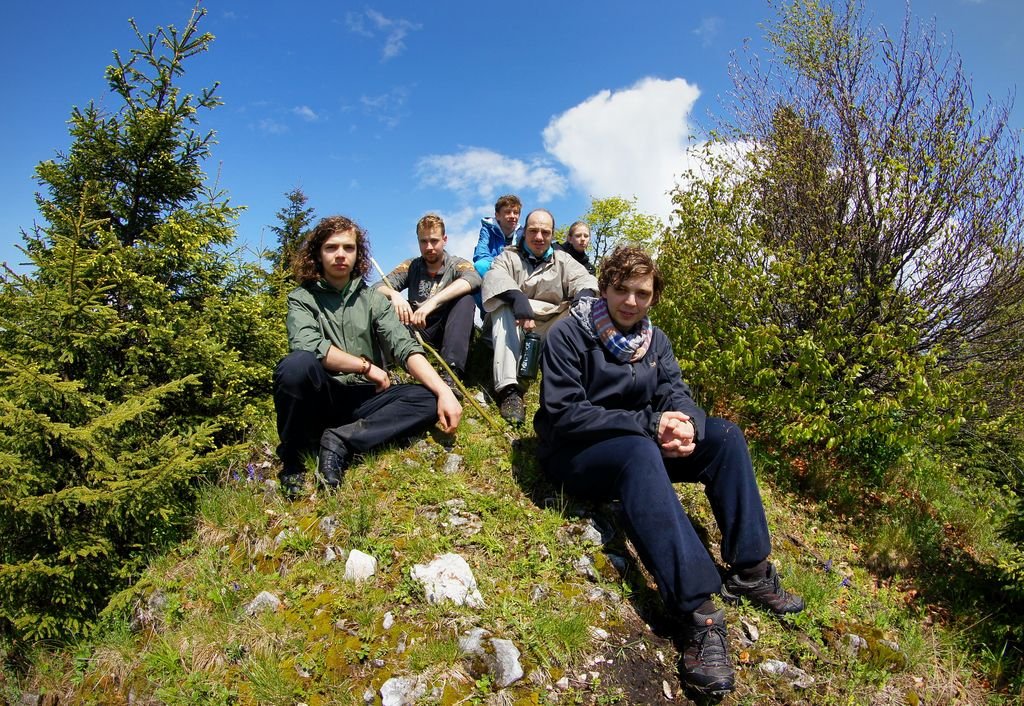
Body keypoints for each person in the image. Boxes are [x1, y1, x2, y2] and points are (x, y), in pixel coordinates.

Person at [534, 246, 804, 696]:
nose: (631, 301)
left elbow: (676, 391)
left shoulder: (654, 341)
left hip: (639, 442)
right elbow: (565, 413)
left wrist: (687, 424)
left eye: (642, 293)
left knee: (725, 437)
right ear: (604, 288)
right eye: (621, 290)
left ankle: (751, 570)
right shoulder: (568, 334)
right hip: (575, 454)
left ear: (653, 297)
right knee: (639, 451)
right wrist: (649, 424)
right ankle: (698, 613)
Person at [272, 215, 462, 498]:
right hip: (323, 394)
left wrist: (444, 391)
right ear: (318, 254)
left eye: (348, 248)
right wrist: (365, 367)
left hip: (364, 398)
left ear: (357, 254)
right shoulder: (302, 298)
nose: (340, 255)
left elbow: (404, 347)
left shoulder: (372, 299)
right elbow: (308, 345)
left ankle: (341, 441)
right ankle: (292, 459)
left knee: (427, 397)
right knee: (295, 366)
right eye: (331, 247)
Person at [481, 208, 598, 424]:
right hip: (512, 324)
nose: (539, 237)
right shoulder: (508, 256)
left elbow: (586, 280)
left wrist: (583, 296)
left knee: (579, 311)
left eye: (545, 232)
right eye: (533, 231)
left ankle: (579, 386)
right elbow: (493, 276)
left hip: (547, 326)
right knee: (502, 306)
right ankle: (510, 391)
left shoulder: (564, 260)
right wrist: (516, 297)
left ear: (553, 234)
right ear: (524, 231)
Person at [375, 214, 480, 398]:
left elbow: (474, 279)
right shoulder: (411, 265)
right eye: (423, 241)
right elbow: (376, 287)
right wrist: (394, 295)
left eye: (434, 241)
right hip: (416, 327)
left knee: (466, 299)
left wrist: (432, 303)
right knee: (381, 305)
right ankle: (384, 374)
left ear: (444, 240)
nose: (429, 247)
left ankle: (451, 374)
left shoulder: (457, 264)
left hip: (447, 327)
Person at [473, 194, 523, 278]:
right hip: (492, 267)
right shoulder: (488, 230)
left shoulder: (523, 234)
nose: (512, 216)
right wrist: (498, 266)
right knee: (480, 265)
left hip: (514, 271)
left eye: (516, 213)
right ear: (497, 215)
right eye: (508, 212)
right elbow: (480, 253)